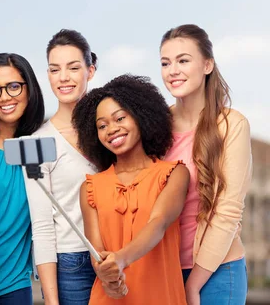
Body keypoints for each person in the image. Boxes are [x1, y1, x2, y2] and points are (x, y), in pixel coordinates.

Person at [73, 75, 189, 304]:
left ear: (140, 117)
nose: (112, 130)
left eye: (120, 118)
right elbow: (98, 254)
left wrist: (122, 259)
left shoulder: (174, 174)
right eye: (102, 126)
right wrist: (107, 277)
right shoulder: (90, 188)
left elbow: (159, 222)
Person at [160, 24, 252, 305]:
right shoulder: (156, 125)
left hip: (218, 272)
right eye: (165, 63)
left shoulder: (231, 125)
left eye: (183, 60)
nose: (173, 70)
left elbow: (228, 212)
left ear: (207, 65)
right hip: (164, 270)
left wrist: (194, 284)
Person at [24, 29, 98, 305]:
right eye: (55, 69)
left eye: (73, 67)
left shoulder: (112, 131)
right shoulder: (36, 143)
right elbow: (41, 228)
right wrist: (52, 301)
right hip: (71, 267)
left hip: (118, 259)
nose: (64, 77)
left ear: (90, 71)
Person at [0, 53, 45, 304]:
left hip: (14, 286)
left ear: (29, 89)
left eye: (14, 86)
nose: (4, 97)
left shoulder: (41, 145)